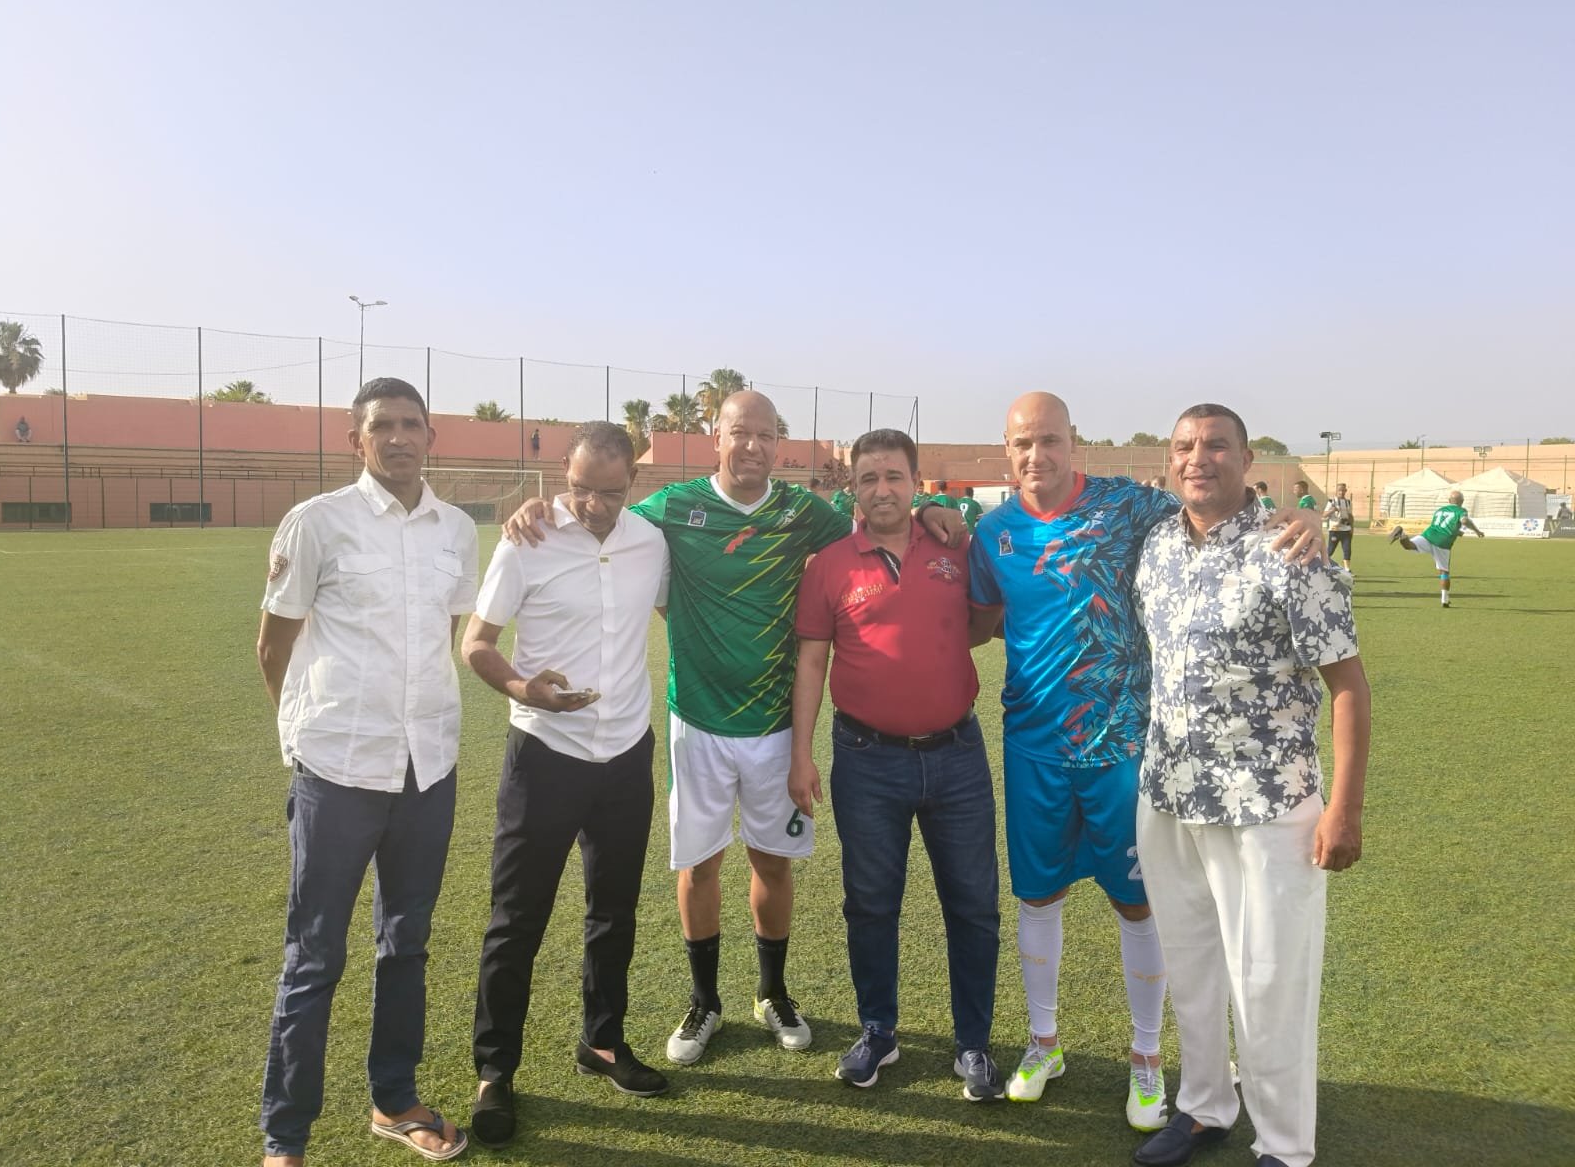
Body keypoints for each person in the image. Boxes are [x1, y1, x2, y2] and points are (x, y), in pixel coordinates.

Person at [503, 390, 966, 1069]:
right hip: (696, 721)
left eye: (764, 435)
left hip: (775, 725)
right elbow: (596, 508)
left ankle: (773, 992)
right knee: (699, 864)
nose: (751, 445)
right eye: (738, 432)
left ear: (778, 444)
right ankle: (704, 1000)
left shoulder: (802, 511)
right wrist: (540, 507)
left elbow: (874, 519)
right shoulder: (672, 508)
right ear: (715, 438)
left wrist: (929, 509)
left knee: (772, 862)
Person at [967, 392, 1322, 1131]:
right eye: (1023, 443)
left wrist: (1298, 515)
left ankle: (1147, 1057)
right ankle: (1044, 1045)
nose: (1037, 455)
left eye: (1050, 439)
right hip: (1033, 746)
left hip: (1125, 746)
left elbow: (1215, 506)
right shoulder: (992, 532)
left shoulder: (1130, 506)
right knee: (1036, 896)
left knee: (1139, 902)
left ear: (1074, 442)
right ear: (1006, 450)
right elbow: (984, 618)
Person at [1131, 403, 1370, 1167]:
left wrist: (1345, 808)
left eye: (1216, 445)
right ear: (1169, 459)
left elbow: (1348, 685)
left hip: (1267, 802)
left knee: (1270, 981)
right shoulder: (1157, 546)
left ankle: (1285, 1146)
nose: (1197, 458)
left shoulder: (1291, 550)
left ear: (1247, 459)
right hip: (1169, 793)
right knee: (1192, 968)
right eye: (1184, 446)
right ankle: (1205, 1107)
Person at [255, 378, 478, 1167]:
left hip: (427, 769)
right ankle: (286, 1137)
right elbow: (273, 646)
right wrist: (307, 735)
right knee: (315, 954)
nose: (399, 437)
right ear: (357, 440)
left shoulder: (457, 530)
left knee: (406, 942)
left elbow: (446, 634)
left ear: (431, 437)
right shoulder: (318, 522)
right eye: (382, 425)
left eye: (412, 424)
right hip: (339, 770)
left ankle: (394, 1099)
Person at [463, 421, 672, 1146]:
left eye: (610, 493)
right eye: (581, 488)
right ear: (562, 473)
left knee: (614, 911)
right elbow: (476, 643)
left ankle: (602, 1042)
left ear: (633, 482)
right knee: (516, 918)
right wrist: (524, 688)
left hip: (626, 754)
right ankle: (495, 1072)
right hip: (545, 753)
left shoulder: (652, 541)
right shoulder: (527, 538)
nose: (593, 505)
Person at [788, 429, 1001, 1101]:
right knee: (871, 903)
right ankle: (878, 1030)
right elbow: (812, 661)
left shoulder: (954, 546)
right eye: (869, 478)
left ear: (915, 483)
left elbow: (979, 625)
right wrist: (801, 755)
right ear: (853, 486)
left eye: (894, 477)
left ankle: (973, 1043)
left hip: (957, 755)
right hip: (865, 761)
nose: (882, 490)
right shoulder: (828, 565)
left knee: (974, 905)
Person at [1387, 490, 1484, 608]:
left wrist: (1457, 532)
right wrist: (1477, 531)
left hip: (1428, 535)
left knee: (1409, 546)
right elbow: (1464, 520)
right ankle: (1445, 600)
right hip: (1442, 542)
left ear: (1449, 501)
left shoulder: (1440, 510)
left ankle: (1402, 534)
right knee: (1444, 572)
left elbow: (1442, 526)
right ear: (1462, 501)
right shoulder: (1461, 510)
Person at [1323, 482, 1355, 572]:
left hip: (1346, 530)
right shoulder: (1331, 501)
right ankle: (1323, 565)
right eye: (1339, 490)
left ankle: (1347, 569)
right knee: (1330, 550)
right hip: (1335, 530)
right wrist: (1332, 510)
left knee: (1347, 550)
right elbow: (1324, 515)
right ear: (1336, 491)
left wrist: (1352, 527)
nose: (1341, 492)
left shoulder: (1348, 502)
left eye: (1343, 490)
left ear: (1346, 491)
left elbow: (1350, 516)